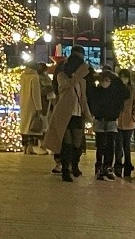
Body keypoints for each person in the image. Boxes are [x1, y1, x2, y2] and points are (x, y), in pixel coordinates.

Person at [43, 46, 92, 182]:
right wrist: (77, 76)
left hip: (77, 114)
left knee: (77, 143)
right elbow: (65, 87)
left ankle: (74, 165)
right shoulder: (61, 76)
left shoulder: (82, 81)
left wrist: (88, 114)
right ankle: (65, 170)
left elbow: (83, 99)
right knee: (67, 143)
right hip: (64, 113)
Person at [87, 69, 130, 180]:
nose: (104, 82)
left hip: (111, 120)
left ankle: (107, 167)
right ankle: (99, 167)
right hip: (100, 120)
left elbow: (126, 93)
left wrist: (116, 79)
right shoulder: (97, 91)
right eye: (103, 80)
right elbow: (90, 93)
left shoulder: (115, 91)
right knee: (100, 145)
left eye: (107, 80)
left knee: (110, 145)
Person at [114, 68, 135, 178]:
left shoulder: (133, 90)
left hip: (129, 122)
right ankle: (118, 165)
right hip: (117, 122)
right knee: (118, 146)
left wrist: (134, 118)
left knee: (127, 146)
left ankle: (128, 165)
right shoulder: (115, 89)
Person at [19, 63, 44, 154]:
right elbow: (36, 94)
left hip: (23, 103)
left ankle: (25, 147)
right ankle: (30, 147)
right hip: (32, 104)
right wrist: (39, 107)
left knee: (24, 126)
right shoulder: (34, 77)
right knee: (31, 126)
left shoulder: (23, 76)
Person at [36, 63, 55, 155]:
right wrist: (50, 89)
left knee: (45, 125)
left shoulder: (44, 77)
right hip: (43, 104)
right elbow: (41, 91)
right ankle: (42, 146)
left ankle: (44, 145)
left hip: (47, 104)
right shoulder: (38, 78)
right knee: (43, 126)